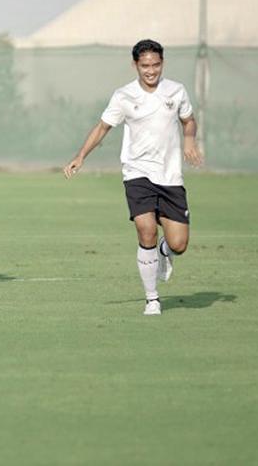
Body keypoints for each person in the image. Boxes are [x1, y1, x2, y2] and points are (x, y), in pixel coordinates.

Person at [64, 39, 202, 316]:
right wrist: (81, 156)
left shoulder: (176, 91)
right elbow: (103, 127)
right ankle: (152, 299)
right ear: (135, 65)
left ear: (162, 63)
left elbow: (188, 120)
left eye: (156, 65)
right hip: (137, 173)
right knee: (145, 229)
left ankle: (165, 252)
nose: (151, 71)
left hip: (170, 177)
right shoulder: (124, 96)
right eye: (145, 66)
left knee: (179, 244)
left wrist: (189, 140)